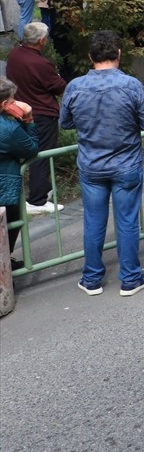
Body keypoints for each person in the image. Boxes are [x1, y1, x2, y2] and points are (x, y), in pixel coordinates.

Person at [61, 31, 144, 296]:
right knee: (127, 221)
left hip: (91, 165)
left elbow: (65, 122)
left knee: (93, 221)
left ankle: (91, 278)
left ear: (91, 57)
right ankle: (129, 278)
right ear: (118, 54)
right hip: (125, 163)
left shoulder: (75, 86)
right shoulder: (131, 86)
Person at [5, 22, 67, 215]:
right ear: (41, 40)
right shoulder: (41, 64)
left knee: (29, 154)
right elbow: (59, 86)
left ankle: (40, 191)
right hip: (43, 115)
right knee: (41, 156)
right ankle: (37, 200)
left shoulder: (14, 55)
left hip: (19, 111)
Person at [0, 77, 39, 269]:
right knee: (9, 223)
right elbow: (30, 148)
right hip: (4, 187)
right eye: (12, 100)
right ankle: (4, 265)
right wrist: (28, 117)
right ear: (5, 104)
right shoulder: (8, 130)